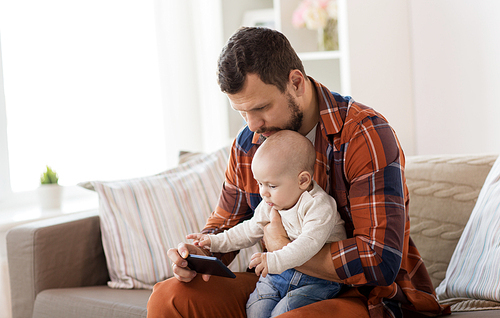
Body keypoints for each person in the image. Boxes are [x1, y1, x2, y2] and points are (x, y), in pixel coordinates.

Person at [147, 27, 450, 318]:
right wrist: (198, 252)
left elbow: (378, 261)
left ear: (296, 82)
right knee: (169, 298)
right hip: (277, 280)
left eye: (261, 108)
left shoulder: (364, 134)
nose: (252, 125)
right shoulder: (250, 142)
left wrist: (281, 247)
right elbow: (226, 224)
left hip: (361, 295)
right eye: (242, 113)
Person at [187, 130, 347, 318]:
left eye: (271, 185)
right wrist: (213, 241)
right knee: (256, 309)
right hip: (277, 276)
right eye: (259, 184)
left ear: (302, 180)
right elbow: (248, 230)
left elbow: (308, 244)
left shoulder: (318, 206)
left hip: (318, 281)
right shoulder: (271, 203)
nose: (263, 192)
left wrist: (273, 259)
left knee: (284, 311)